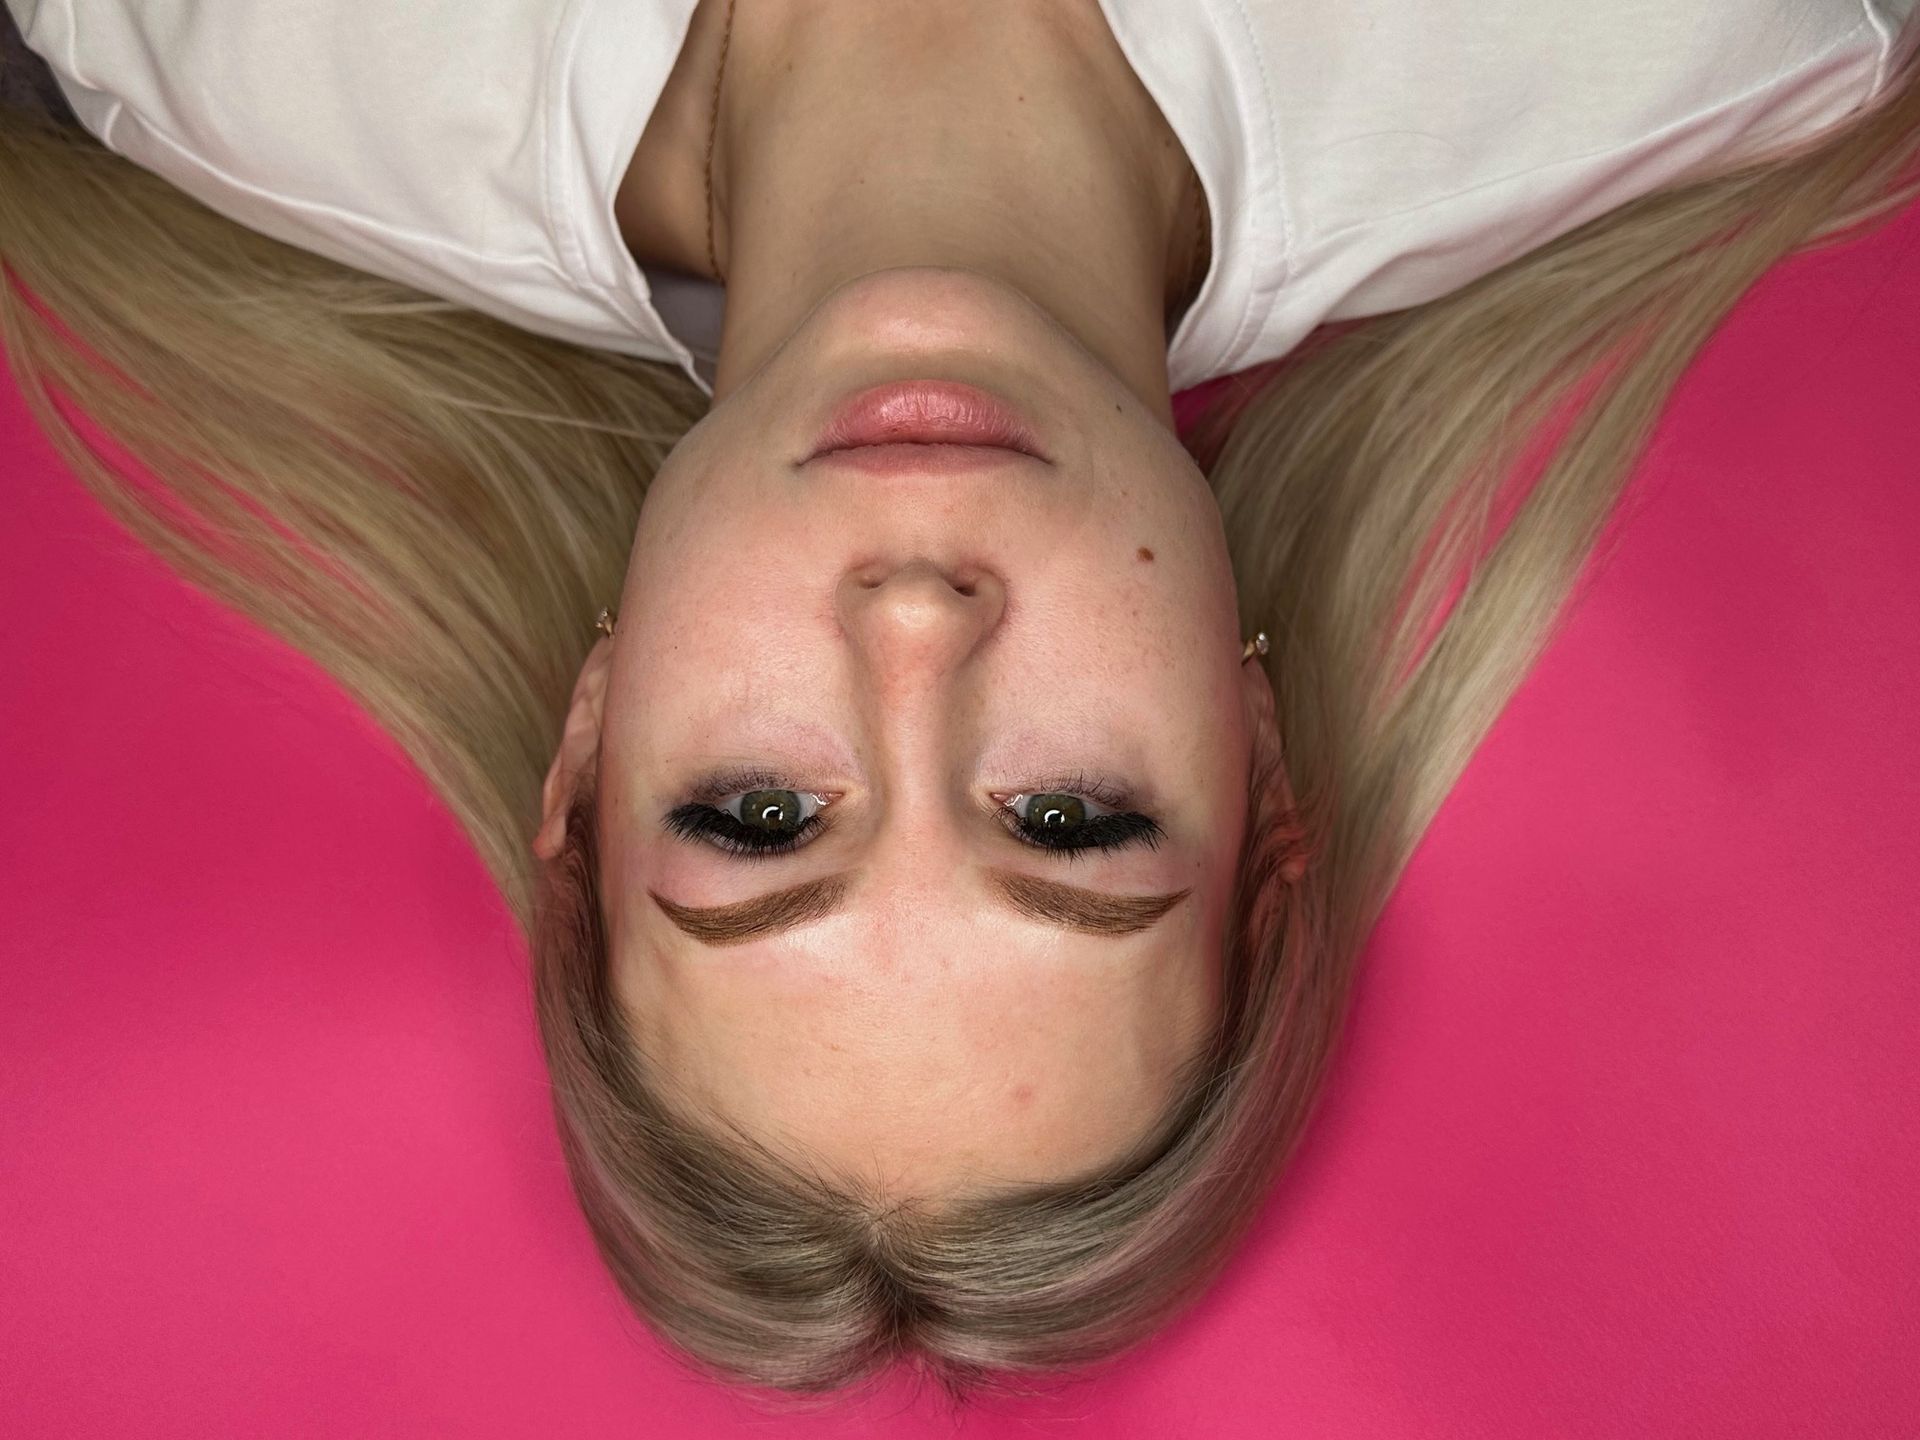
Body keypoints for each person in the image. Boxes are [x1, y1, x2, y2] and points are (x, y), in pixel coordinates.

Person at [3, 0, 1918, 1407]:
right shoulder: (1713, 35)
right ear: (1255, 764)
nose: (918, 625)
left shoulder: (202, 46)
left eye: (759, 818)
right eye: (1069, 820)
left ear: (589, 746)